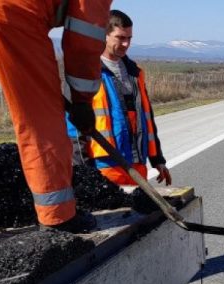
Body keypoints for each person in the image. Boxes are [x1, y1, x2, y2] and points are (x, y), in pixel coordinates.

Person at [0, 0, 112, 233]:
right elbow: (85, 39)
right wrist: (82, 100)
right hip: (12, 11)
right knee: (41, 122)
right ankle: (58, 216)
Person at [68, 9, 171, 186]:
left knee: (142, 213)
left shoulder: (135, 72)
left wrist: (157, 159)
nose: (126, 44)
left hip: (137, 166)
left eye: (129, 38)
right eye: (120, 38)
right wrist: (84, 173)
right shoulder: (85, 73)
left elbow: (146, 119)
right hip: (105, 168)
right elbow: (73, 129)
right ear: (104, 35)